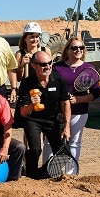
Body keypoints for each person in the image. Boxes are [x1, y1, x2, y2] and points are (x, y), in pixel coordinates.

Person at [43, 37, 100, 170]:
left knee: (74, 143)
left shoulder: (89, 68)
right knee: (49, 142)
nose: (78, 50)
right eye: (74, 48)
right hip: (57, 112)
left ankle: (71, 173)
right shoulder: (57, 67)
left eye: (81, 48)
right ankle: (47, 172)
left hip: (79, 112)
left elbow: (96, 93)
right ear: (67, 51)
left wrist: (79, 99)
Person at [14, 51, 71, 179]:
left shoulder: (58, 79)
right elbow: (23, 112)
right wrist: (32, 105)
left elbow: (65, 103)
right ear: (34, 66)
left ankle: (41, 174)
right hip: (33, 119)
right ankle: (31, 176)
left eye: (50, 63)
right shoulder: (28, 83)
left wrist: (67, 126)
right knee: (35, 150)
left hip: (53, 120)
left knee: (64, 154)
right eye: (43, 64)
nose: (48, 66)